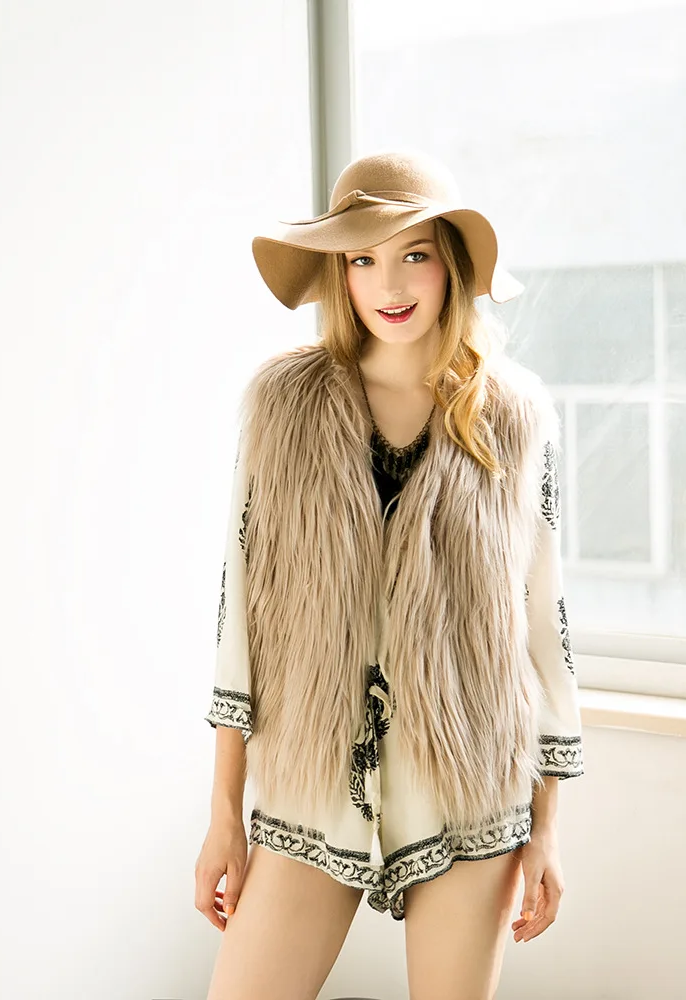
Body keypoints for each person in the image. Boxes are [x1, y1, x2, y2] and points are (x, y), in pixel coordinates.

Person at [193, 150, 584, 1000]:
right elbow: (239, 614)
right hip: (310, 780)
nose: (390, 283)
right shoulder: (283, 406)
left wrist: (547, 827)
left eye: (414, 254)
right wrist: (224, 813)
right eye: (363, 259)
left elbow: (543, 626)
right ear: (340, 274)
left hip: (469, 783)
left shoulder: (515, 417)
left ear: (451, 265)